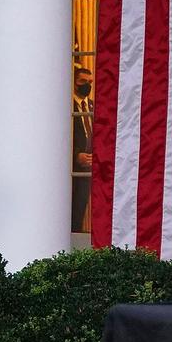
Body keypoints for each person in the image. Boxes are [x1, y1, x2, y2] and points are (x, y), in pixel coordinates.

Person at [72, 66, 94, 233]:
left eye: (89, 82)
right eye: (82, 81)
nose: (87, 85)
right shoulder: (67, 105)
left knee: (81, 206)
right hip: (72, 168)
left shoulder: (92, 106)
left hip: (89, 167)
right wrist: (75, 155)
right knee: (69, 207)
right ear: (74, 83)